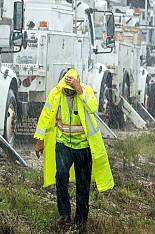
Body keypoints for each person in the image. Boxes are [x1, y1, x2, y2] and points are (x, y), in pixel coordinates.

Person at [34, 68, 114, 230]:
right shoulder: (56, 94)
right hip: (63, 144)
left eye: (71, 88)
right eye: (66, 88)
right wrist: (39, 140)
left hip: (83, 147)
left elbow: (92, 107)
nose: (68, 91)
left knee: (83, 184)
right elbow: (45, 116)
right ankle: (64, 214)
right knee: (61, 175)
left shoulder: (85, 91)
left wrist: (79, 90)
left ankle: (81, 220)